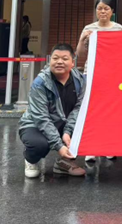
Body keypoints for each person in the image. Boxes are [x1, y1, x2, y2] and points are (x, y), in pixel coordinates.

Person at [18, 43, 86, 178]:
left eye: (65, 58)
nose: (59, 62)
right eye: (55, 58)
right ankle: (31, 160)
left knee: (84, 132)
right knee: (39, 145)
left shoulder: (80, 81)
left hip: (64, 123)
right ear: (50, 61)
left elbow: (78, 108)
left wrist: (68, 131)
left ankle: (63, 162)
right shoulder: (40, 83)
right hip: (36, 125)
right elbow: (41, 118)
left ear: (72, 63)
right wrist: (58, 145)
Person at [75, 0, 122, 162]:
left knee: (110, 110)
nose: (103, 11)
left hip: (112, 75)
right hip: (91, 72)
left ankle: (108, 146)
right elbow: (80, 54)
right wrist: (83, 39)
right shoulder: (89, 28)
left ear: (112, 11)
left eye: (106, 8)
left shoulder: (119, 29)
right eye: (100, 8)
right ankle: (91, 148)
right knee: (91, 109)